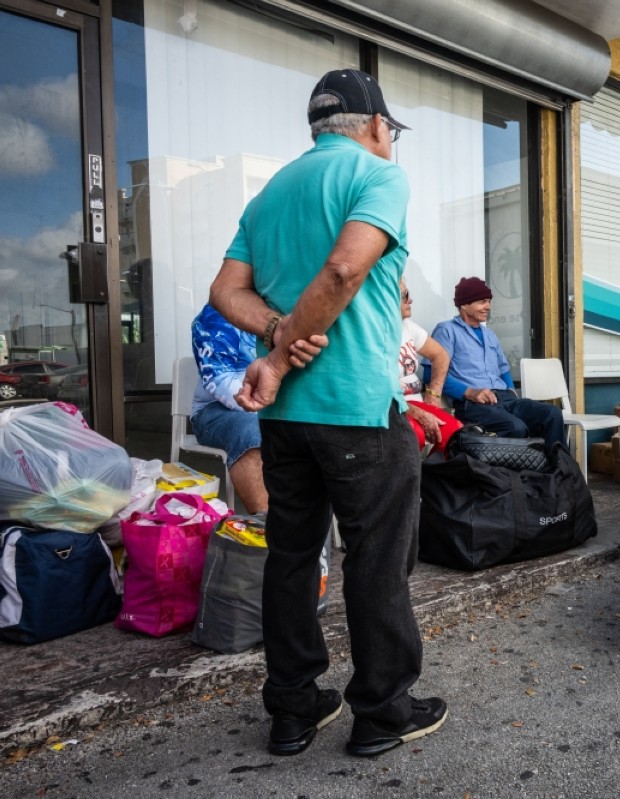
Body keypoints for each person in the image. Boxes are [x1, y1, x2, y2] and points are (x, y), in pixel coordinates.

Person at [209, 68, 446, 759]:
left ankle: (293, 706)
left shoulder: (274, 190)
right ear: (376, 126)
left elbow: (226, 288)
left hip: (285, 419)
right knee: (377, 562)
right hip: (358, 409)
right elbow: (345, 270)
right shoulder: (378, 176)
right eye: (391, 130)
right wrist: (282, 355)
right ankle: (382, 710)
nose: (390, 140)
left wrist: (278, 331)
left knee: (291, 556)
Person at [432, 276, 566, 447]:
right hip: (474, 404)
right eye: (482, 302)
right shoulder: (447, 331)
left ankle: (559, 471)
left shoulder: (489, 334)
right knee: (516, 428)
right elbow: (432, 373)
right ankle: (510, 474)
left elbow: (503, 368)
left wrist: (510, 389)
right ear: (464, 305)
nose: (487, 306)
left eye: (488, 301)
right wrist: (469, 392)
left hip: (505, 398)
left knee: (552, 414)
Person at [189, 303, 269, 514]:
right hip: (216, 408)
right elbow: (224, 384)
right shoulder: (217, 314)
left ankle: (314, 540)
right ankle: (267, 530)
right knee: (251, 430)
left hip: (271, 405)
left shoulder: (292, 306)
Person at [398, 278, 461, 455]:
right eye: (405, 295)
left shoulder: (407, 327)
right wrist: (415, 412)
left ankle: (431, 479)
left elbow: (441, 355)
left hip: (415, 402)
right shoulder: (374, 332)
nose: (411, 300)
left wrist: (433, 394)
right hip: (392, 407)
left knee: (456, 434)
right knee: (414, 435)